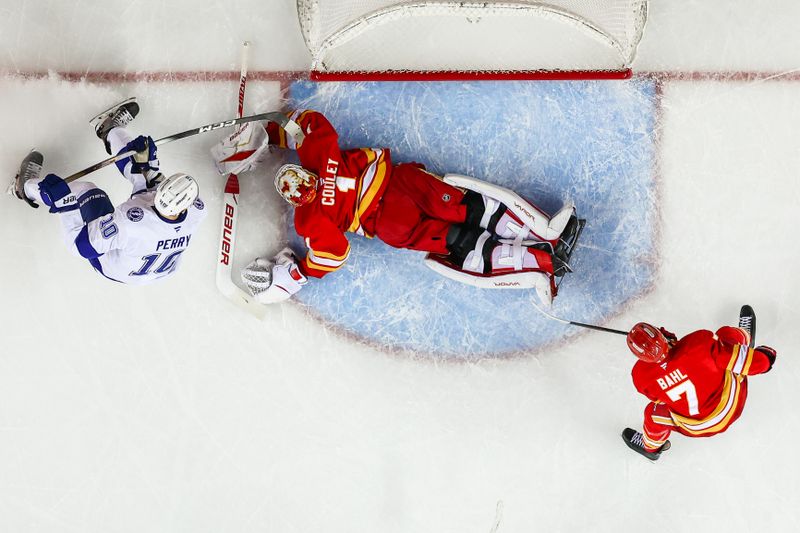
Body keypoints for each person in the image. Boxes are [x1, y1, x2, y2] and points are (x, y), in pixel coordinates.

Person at [211, 109, 583, 304]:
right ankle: (543, 235)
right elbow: (309, 122)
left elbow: (334, 255)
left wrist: (298, 273)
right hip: (400, 184)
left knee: (457, 240)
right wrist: (272, 135)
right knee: (471, 209)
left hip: (388, 224)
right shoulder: (318, 154)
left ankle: (543, 263)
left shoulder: (311, 218)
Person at [8, 98, 207, 285]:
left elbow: (79, 247)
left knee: (87, 191)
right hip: (152, 266)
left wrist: (65, 205)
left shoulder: (129, 224)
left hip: (113, 267)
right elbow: (156, 189)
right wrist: (150, 166)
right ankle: (110, 130)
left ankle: (25, 188)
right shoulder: (196, 209)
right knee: (142, 170)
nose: (155, 194)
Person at [621, 305, 777, 461]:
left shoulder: (640, 376)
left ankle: (650, 447)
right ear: (661, 336)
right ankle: (746, 341)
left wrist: (673, 370)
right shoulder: (700, 343)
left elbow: (660, 396)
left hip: (694, 426)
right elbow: (760, 365)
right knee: (726, 337)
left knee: (652, 413)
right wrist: (765, 356)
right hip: (730, 404)